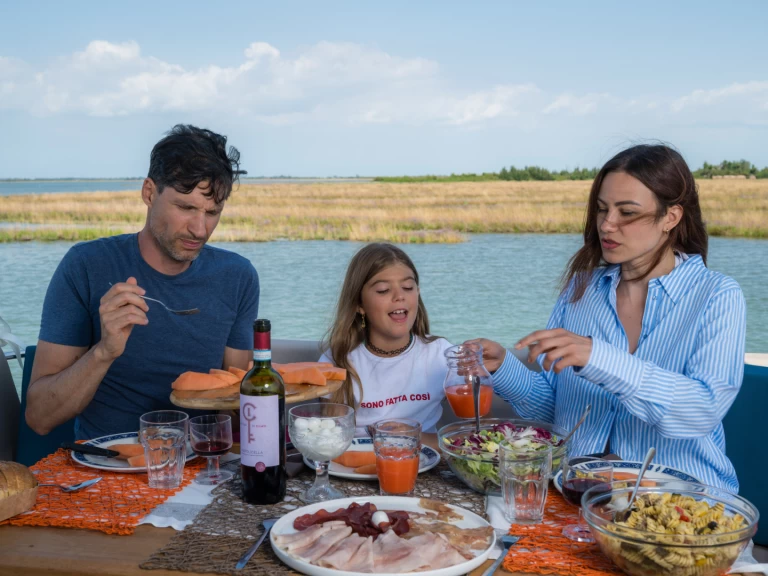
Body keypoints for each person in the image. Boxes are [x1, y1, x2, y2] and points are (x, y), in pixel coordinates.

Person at [474, 144, 746, 491]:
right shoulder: (581, 287)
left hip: (682, 503)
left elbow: (700, 412)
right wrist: (503, 368)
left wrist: (599, 357)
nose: (607, 224)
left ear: (671, 217)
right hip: (578, 494)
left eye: (627, 212)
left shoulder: (717, 295)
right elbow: (557, 413)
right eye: (602, 209)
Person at [26, 125, 259, 440]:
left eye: (212, 212)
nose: (200, 230)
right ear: (149, 193)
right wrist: (105, 351)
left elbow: (237, 405)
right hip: (107, 462)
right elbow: (39, 417)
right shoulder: (85, 265)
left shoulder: (238, 276)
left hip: (201, 464)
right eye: (186, 207)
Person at [320, 243, 452, 439]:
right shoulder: (336, 361)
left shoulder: (442, 355)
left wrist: (413, 437)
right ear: (359, 304)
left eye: (408, 287)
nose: (399, 296)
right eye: (383, 290)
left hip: (423, 464)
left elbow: (476, 436)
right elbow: (331, 443)